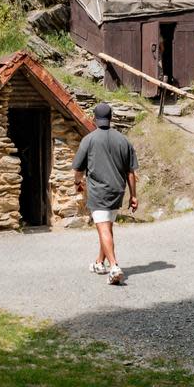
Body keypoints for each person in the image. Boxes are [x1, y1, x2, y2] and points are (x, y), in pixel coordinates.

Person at [72, 102, 139, 286]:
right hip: (118, 191)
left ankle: (114, 266)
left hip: (98, 191)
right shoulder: (123, 140)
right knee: (106, 228)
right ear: (111, 117)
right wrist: (133, 196)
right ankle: (99, 263)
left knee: (103, 229)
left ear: (94, 118)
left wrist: (78, 183)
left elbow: (78, 168)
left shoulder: (89, 140)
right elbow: (131, 172)